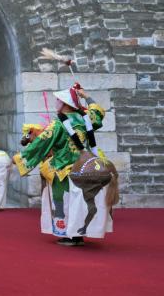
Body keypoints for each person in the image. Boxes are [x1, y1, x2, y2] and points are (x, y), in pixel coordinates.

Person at [13, 83, 112, 245]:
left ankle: (69, 234)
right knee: (80, 202)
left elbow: (40, 143)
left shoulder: (57, 124)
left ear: (65, 103)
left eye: (58, 99)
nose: (56, 102)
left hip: (63, 169)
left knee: (63, 201)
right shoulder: (85, 118)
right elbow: (97, 112)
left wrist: (19, 158)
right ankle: (78, 234)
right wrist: (86, 96)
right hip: (84, 166)